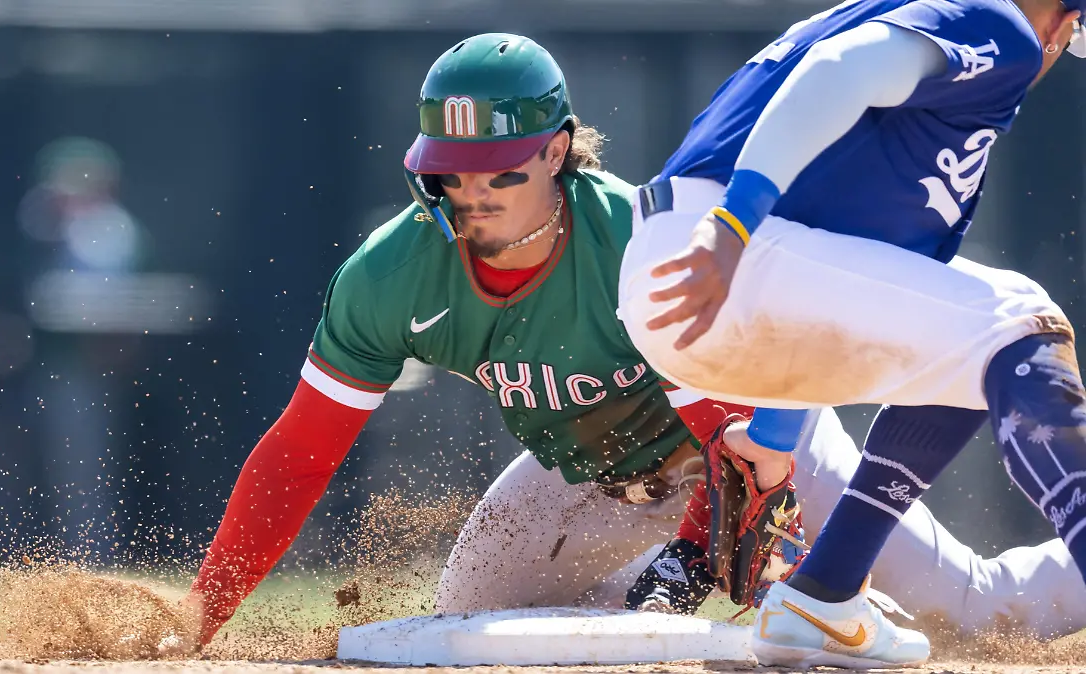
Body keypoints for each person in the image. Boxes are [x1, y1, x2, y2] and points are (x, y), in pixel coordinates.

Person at [171, 31, 1086, 656]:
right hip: (588, 477)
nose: (472, 193)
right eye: (450, 173)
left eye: (500, 169)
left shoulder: (632, 249)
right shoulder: (389, 276)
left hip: (760, 456)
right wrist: (202, 617)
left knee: (973, 611)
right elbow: (298, 453)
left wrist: (715, 566)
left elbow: (729, 439)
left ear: (561, 151)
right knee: (469, 632)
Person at [615, 0, 1086, 667]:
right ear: (1060, 17)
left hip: (689, 281)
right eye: (1071, 35)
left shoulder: (911, 52)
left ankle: (823, 596)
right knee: (1020, 320)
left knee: (963, 353)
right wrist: (734, 222)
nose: (1057, 51)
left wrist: (775, 440)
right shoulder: (997, 22)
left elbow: (830, 274)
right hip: (722, 249)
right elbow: (841, 69)